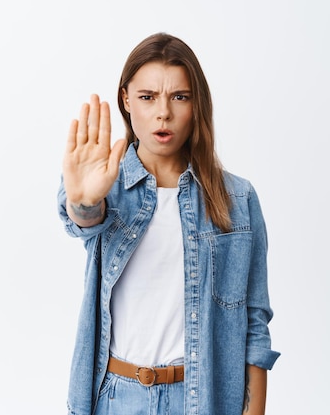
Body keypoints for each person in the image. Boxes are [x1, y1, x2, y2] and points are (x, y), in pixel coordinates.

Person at [58, 32, 279, 415]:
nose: (163, 113)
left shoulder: (238, 200)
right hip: (117, 397)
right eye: (147, 97)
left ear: (196, 105)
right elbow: (82, 220)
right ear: (126, 99)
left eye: (179, 97)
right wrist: (83, 201)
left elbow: (254, 321)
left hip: (199, 399)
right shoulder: (106, 186)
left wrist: (254, 410)